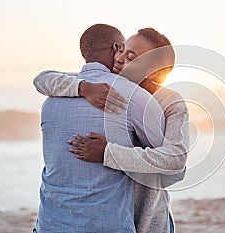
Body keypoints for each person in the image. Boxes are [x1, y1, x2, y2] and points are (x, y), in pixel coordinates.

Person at [33, 28, 189, 233]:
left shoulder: (169, 102)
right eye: (122, 50)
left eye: (131, 57)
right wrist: (83, 87)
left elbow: (175, 161)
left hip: (146, 216)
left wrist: (108, 153)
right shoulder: (102, 88)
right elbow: (43, 79)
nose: (119, 59)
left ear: (155, 73)